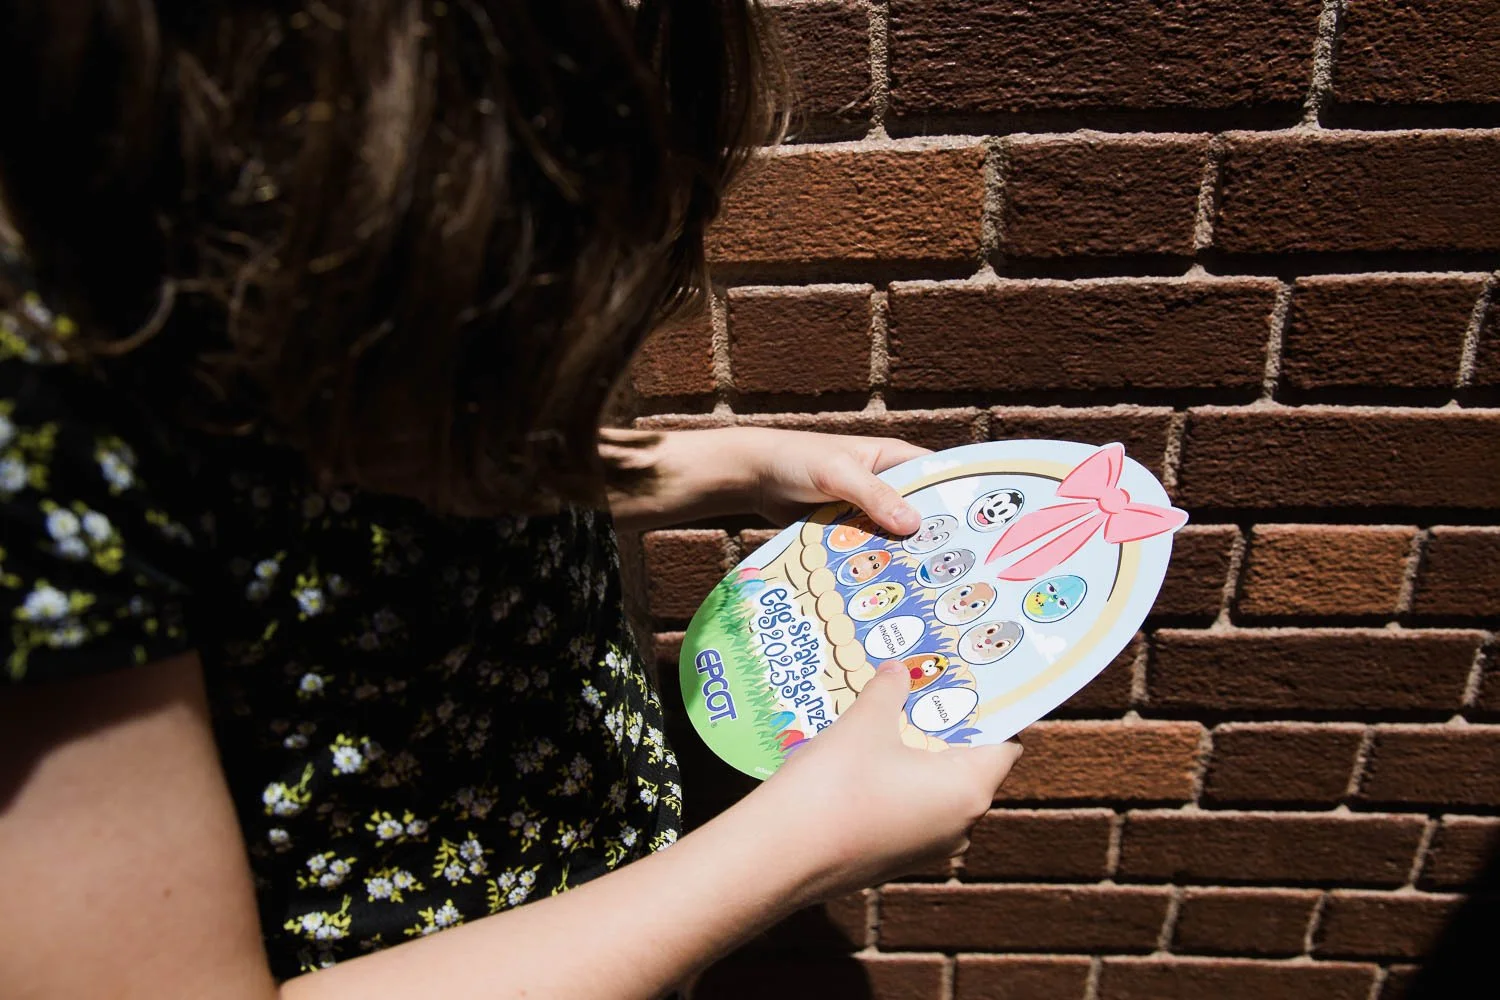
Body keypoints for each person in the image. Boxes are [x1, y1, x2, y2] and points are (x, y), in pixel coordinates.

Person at [0, 2, 1023, 997]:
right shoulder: (38, 410)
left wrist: (732, 462)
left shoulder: (327, 328)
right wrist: (794, 846)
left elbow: (410, 481)